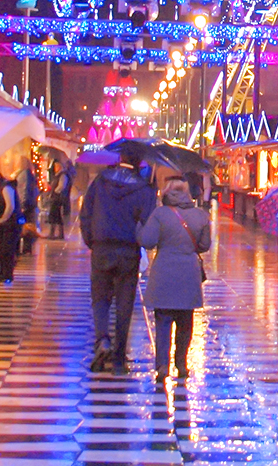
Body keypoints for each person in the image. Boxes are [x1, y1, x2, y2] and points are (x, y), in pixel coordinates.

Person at [80, 148, 158, 374]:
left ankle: (102, 339)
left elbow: (86, 214)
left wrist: (92, 241)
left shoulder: (100, 182)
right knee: (124, 303)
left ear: (120, 159)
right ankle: (118, 358)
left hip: (102, 247)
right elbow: (148, 222)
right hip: (127, 250)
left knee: (100, 298)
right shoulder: (144, 189)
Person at [138, 177, 212, 383]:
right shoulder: (200, 216)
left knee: (163, 321)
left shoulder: (160, 214)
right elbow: (205, 245)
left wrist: (140, 226)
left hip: (164, 274)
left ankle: (162, 365)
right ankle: (181, 363)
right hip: (189, 274)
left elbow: (148, 241)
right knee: (185, 321)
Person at [15, 159, 41, 257]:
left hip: (25, 205)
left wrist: (23, 204)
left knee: (24, 227)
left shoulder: (24, 175)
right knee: (28, 226)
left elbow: (24, 190)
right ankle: (27, 248)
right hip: (29, 204)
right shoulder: (30, 174)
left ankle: (25, 249)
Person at [44, 162, 71, 240]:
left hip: (58, 199)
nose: (55, 168)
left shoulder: (62, 175)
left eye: (56, 167)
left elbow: (62, 186)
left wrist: (55, 191)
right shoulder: (59, 175)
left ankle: (53, 233)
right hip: (57, 198)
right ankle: (58, 234)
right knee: (57, 216)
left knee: (54, 215)